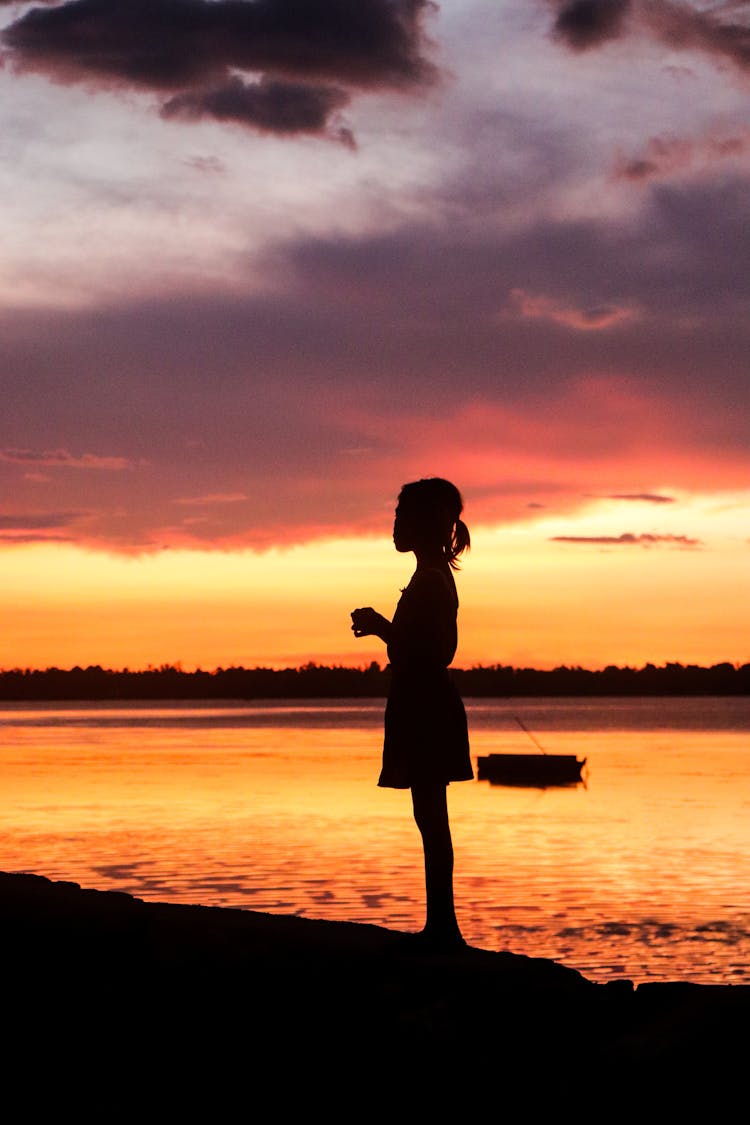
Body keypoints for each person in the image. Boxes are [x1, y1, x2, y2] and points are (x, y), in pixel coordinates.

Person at [351, 477, 473, 952]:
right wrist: (388, 632)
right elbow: (420, 648)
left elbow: (438, 651)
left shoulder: (433, 580)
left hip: (427, 708)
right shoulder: (429, 576)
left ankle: (444, 928)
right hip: (420, 704)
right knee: (428, 815)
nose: (394, 526)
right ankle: (441, 925)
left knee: (431, 816)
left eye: (401, 517)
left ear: (423, 523)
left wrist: (385, 628)